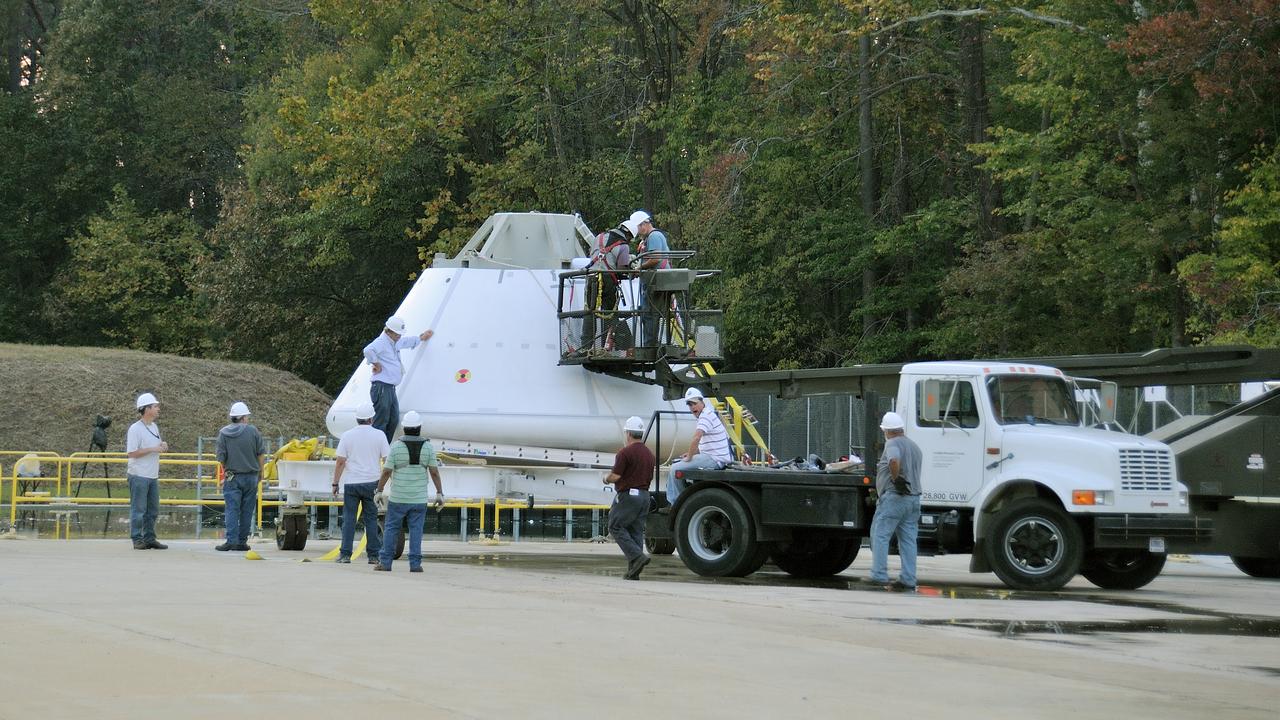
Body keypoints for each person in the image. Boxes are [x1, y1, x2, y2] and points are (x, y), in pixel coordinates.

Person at [374, 411, 444, 572]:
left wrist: (379, 490)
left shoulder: (396, 447)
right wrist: (439, 493)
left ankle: (385, 563)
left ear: (404, 428)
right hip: (419, 499)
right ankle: (415, 564)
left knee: (391, 529)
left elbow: (386, 471)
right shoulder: (428, 447)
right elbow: (434, 472)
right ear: (419, 428)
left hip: (398, 498)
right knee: (416, 531)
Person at [868, 411, 923, 591]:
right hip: (913, 499)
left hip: (895, 497)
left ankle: (879, 575)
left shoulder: (892, 443)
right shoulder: (914, 446)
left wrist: (896, 478)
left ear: (887, 430)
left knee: (880, 535)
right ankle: (908, 579)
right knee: (908, 540)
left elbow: (893, 460)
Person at [333, 402, 389, 564]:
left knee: (349, 519)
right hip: (372, 483)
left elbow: (340, 462)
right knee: (371, 519)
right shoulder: (379, 435)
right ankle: (373, 556)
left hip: (351, 483)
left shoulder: (347, 435)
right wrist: (384, 483)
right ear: (371, 418)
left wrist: (335, 483)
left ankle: (345, 555)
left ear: (357, 419)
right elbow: (387, 460)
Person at [363, 315, 434, 443]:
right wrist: (376, 364)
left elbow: (406, 342)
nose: (399, 336)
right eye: (397, 334)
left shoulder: (394, 341)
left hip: (389, 387)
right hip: (382, 387)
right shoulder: (381, 342)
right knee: (382, 420)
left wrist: (420, 338)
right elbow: (368, 350)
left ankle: (384, 446)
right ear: (389, 332)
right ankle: (377, 448)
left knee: (393, 419)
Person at [605, 415, 657, 580]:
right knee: (635, 532)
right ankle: (634, 572)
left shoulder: (625, 453)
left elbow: (616, 476)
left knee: (615, 526)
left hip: (629, 496)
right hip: (644, 496)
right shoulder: (649, 454)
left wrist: (606, 478)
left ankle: (637, 556)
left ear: (628, 433)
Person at [666, 387, 733, 506]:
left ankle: (677, 503)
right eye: (689, 405)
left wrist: (690, 457)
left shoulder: (705, 416)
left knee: (674, 469)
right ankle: (684, 499)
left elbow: (696, 438)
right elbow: (706, 444)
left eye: (694, 403)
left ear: (702, 402)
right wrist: (691, 454)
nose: (692, 407)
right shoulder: (708, 414)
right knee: (678, 464)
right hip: (715, 457)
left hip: (714, 459)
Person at [214, 401, 267, 552]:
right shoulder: (253, 431)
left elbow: (221, 458)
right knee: (247, 510)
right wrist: (260, 472)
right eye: (247, 417)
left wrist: (227, 471)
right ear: (243, 417)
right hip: (251, 477)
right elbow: (261, 454)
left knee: (232, 509)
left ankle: (231, 541)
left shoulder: (223, 433)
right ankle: (242, 542)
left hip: (232, 477)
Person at [578, 225, 633, 355]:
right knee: (611, 313)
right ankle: (618, 346)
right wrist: (631, 269)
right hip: (607, 280)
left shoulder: (599, 237)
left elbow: (593, 255)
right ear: (629, 235)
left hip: (592, 277)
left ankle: (585, 346)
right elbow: (621, 269)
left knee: (589, 312)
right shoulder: (623, 246)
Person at [126, 392, 169, 550]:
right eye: (155, 406)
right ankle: (137, 538)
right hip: (139, 475)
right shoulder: (135, 429)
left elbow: (156, 445)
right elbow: (132, 453)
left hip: (152, 475)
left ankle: (150, 538)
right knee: (139, 510)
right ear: (147, 409)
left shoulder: (154, 427)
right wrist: (152, 449)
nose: (158, 409)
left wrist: (162, 445)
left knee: (153, 510)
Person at [625, 210, 671, 347]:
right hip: (653, 280)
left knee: (650, 314)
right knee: (648, 313)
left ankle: (650, 346)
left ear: (643, 224)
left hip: (656, 280)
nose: (637, 232)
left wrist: (639, 268)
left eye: (637, 228)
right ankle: (650, 344)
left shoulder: (654, 236)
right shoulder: (649, 238)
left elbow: (655, 259)